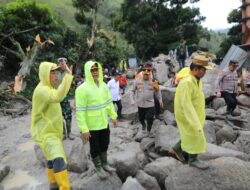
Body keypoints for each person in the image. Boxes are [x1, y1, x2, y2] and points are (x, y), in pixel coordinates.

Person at [31, 61, 73, 189]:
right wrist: (68, 75)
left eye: (56, 73)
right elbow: (57, 97)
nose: (56, 76)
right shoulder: (42, 90)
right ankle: (64, 187)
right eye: (52, 73)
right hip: (46, 133)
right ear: (44, 74)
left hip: (51, 132)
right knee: (59, 158)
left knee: (51, 159)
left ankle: (53, 185)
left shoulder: (48, 88)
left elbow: (60, 94)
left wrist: (67, 76)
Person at [75, 61, 118, 179]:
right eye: (92, 70)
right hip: (91, 125)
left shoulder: (103, 85)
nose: (95, 72)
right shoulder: (81, 89)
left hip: (104, 122)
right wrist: (84, 129)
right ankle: (98, 167)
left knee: (105, 144)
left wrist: (113, 116)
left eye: (96, 69)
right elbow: (80, 111)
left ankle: (105, 163)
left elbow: (109, 102)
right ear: (87, 72)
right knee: (95, 148)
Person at [172, 55, 212, 170]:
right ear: (195, 69)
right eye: (203, 70)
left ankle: (178, 148)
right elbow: (186, 104)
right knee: (195, 133)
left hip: (195, 111)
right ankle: (193, 159)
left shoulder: (195, 79)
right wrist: (193, 120)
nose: (204, 73)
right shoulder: (187, 82)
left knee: (188, 133)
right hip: (187, 113)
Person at [131, 67, 163, 136]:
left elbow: (158, 92)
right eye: (144, 74)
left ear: (149, 74)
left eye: (147, 74)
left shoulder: (153, 81)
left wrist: (160, 100)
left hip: (150, 104)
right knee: (141, 118)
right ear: (142, 74)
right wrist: (132, 100)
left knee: (150, 118)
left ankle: (148, 131)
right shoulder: (137, 81)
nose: (146, 76)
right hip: (140, 104)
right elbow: (132, 91)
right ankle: (143, 125)